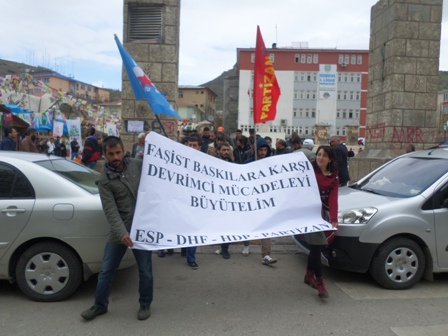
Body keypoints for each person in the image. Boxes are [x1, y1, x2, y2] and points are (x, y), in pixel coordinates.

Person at [81, 136, 153, 321]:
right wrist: (122, 234)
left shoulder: (137, 165)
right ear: (105, 155)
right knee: (106, 270)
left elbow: (158, 171)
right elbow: (111, 211)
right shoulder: (104, 181)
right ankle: (99, 305)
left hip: (141, 229)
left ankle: (145, 304)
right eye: (111, 153)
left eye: (118, 152)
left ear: (123, 151)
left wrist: (156, 145)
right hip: (119, 232)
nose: (115, 157)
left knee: (145, 270)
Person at [302, 145, 338, 299]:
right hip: (308, 213)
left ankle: (309, 275)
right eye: (318, 154)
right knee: (316, 246)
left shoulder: (334, 175)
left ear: (330, 159)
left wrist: (334, 218)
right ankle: (320, 283)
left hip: (323, 215)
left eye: (324, 155)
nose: (320, 157)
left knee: (316, 247)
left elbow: (333, 197)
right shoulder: (310, 171)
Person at [244, 138, 277, 265]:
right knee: (248, 226)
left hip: (265, 202)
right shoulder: (248, 163)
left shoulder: (270, 164)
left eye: (265, 150)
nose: (263, 152)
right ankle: (246, 245)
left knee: (266, 227)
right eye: (261, 150)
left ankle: (266, 255)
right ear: (256, 150)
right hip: (250, 200)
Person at [215, 141, 234, 259]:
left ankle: (225, 249)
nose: (226, 152)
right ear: (219, 151)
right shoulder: (214, 164)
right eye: (224, 150)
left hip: (228, 200)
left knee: (227, 225)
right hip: (216, 198)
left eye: (228, 150)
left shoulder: (233, 164)